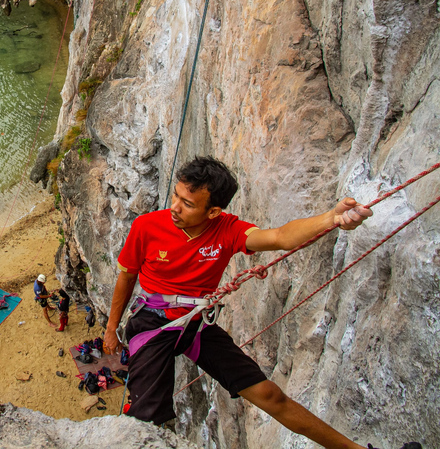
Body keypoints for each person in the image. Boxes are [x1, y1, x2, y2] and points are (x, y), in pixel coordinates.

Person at [102, 156, 387, 449]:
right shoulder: (147, 226)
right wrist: (112, 328)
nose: (174, 207)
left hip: (196, 323)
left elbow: (279, 237)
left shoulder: (227, 230)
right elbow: (126, 277)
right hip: (153, 320)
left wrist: (332, 219)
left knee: (269, 395)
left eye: (187, 203)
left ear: (213, 211)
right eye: (176, 195)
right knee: (146, 418)